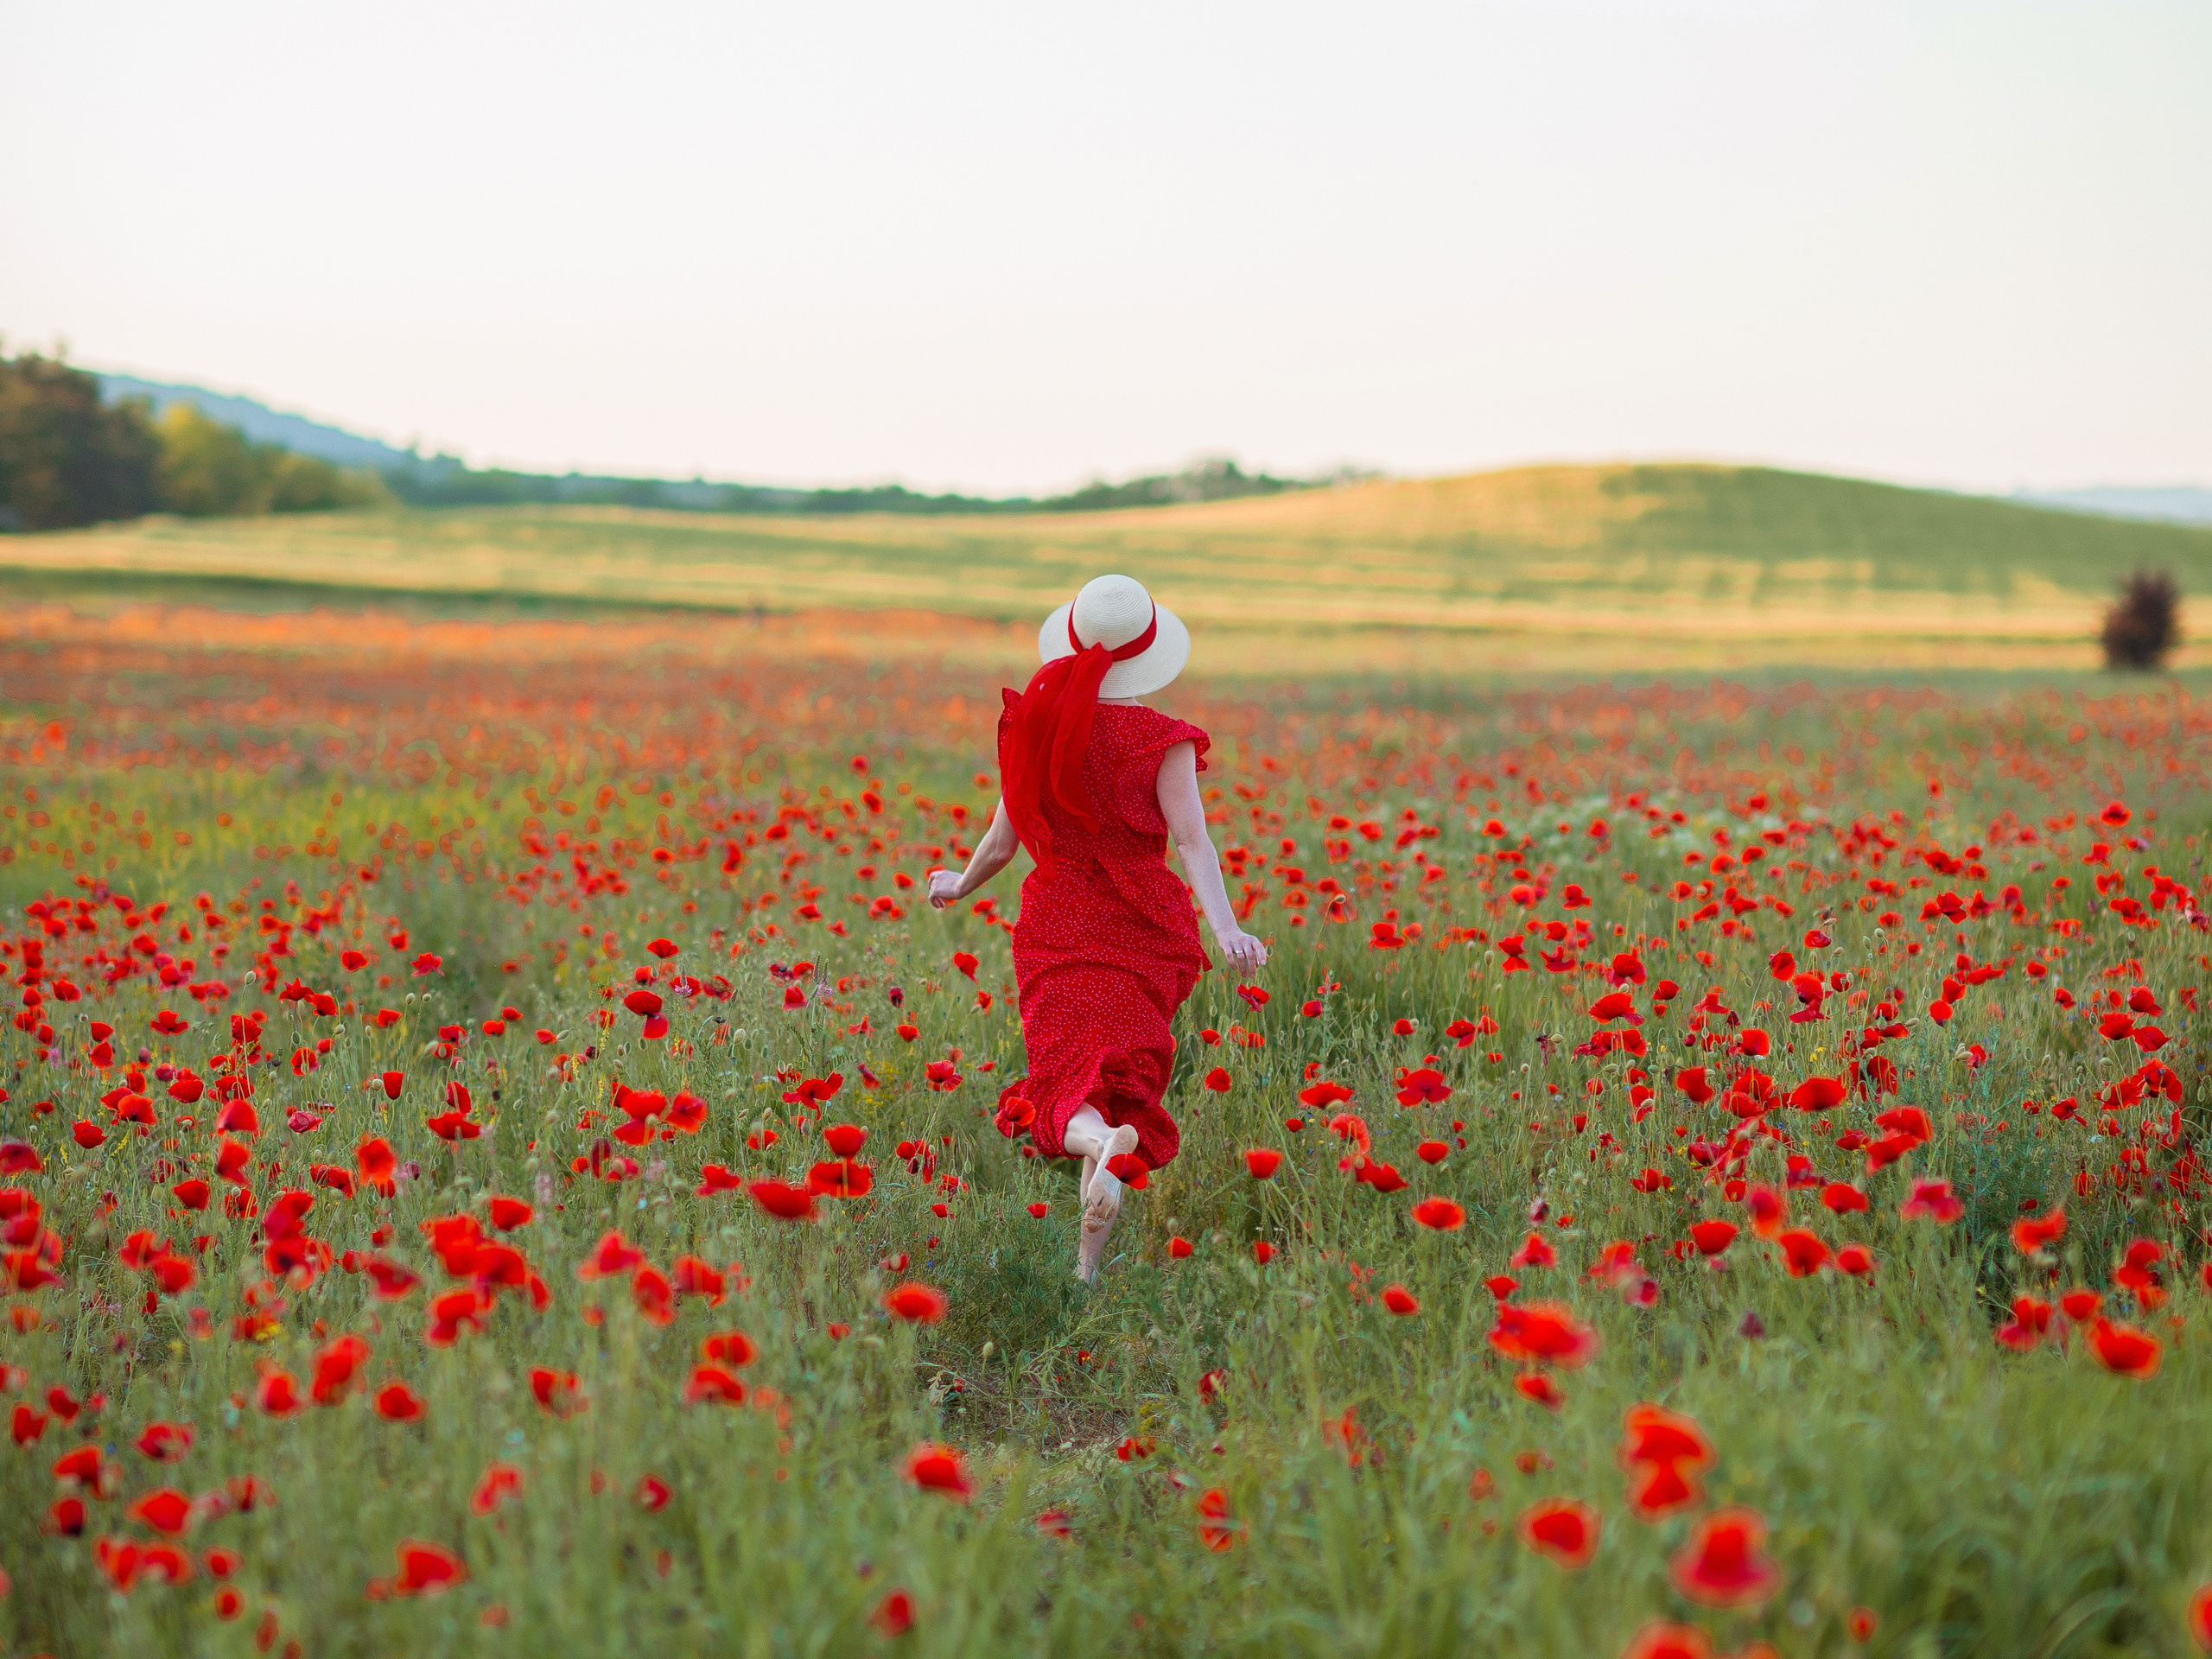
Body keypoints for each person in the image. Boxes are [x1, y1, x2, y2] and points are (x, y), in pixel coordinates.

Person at [929, 574, 1268, 1283]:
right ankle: (1087, 1267)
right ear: (1150, 652)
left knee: (1064, 1080)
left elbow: (1001, 843)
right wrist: (1228, 927)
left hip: (1060, 920)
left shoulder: (1039, 726)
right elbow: (1192, 843)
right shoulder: (1162, 740)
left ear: (1074, 638)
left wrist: (957, 886)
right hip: (1143, 924)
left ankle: (1096, 1146)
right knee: (1118, 1080)